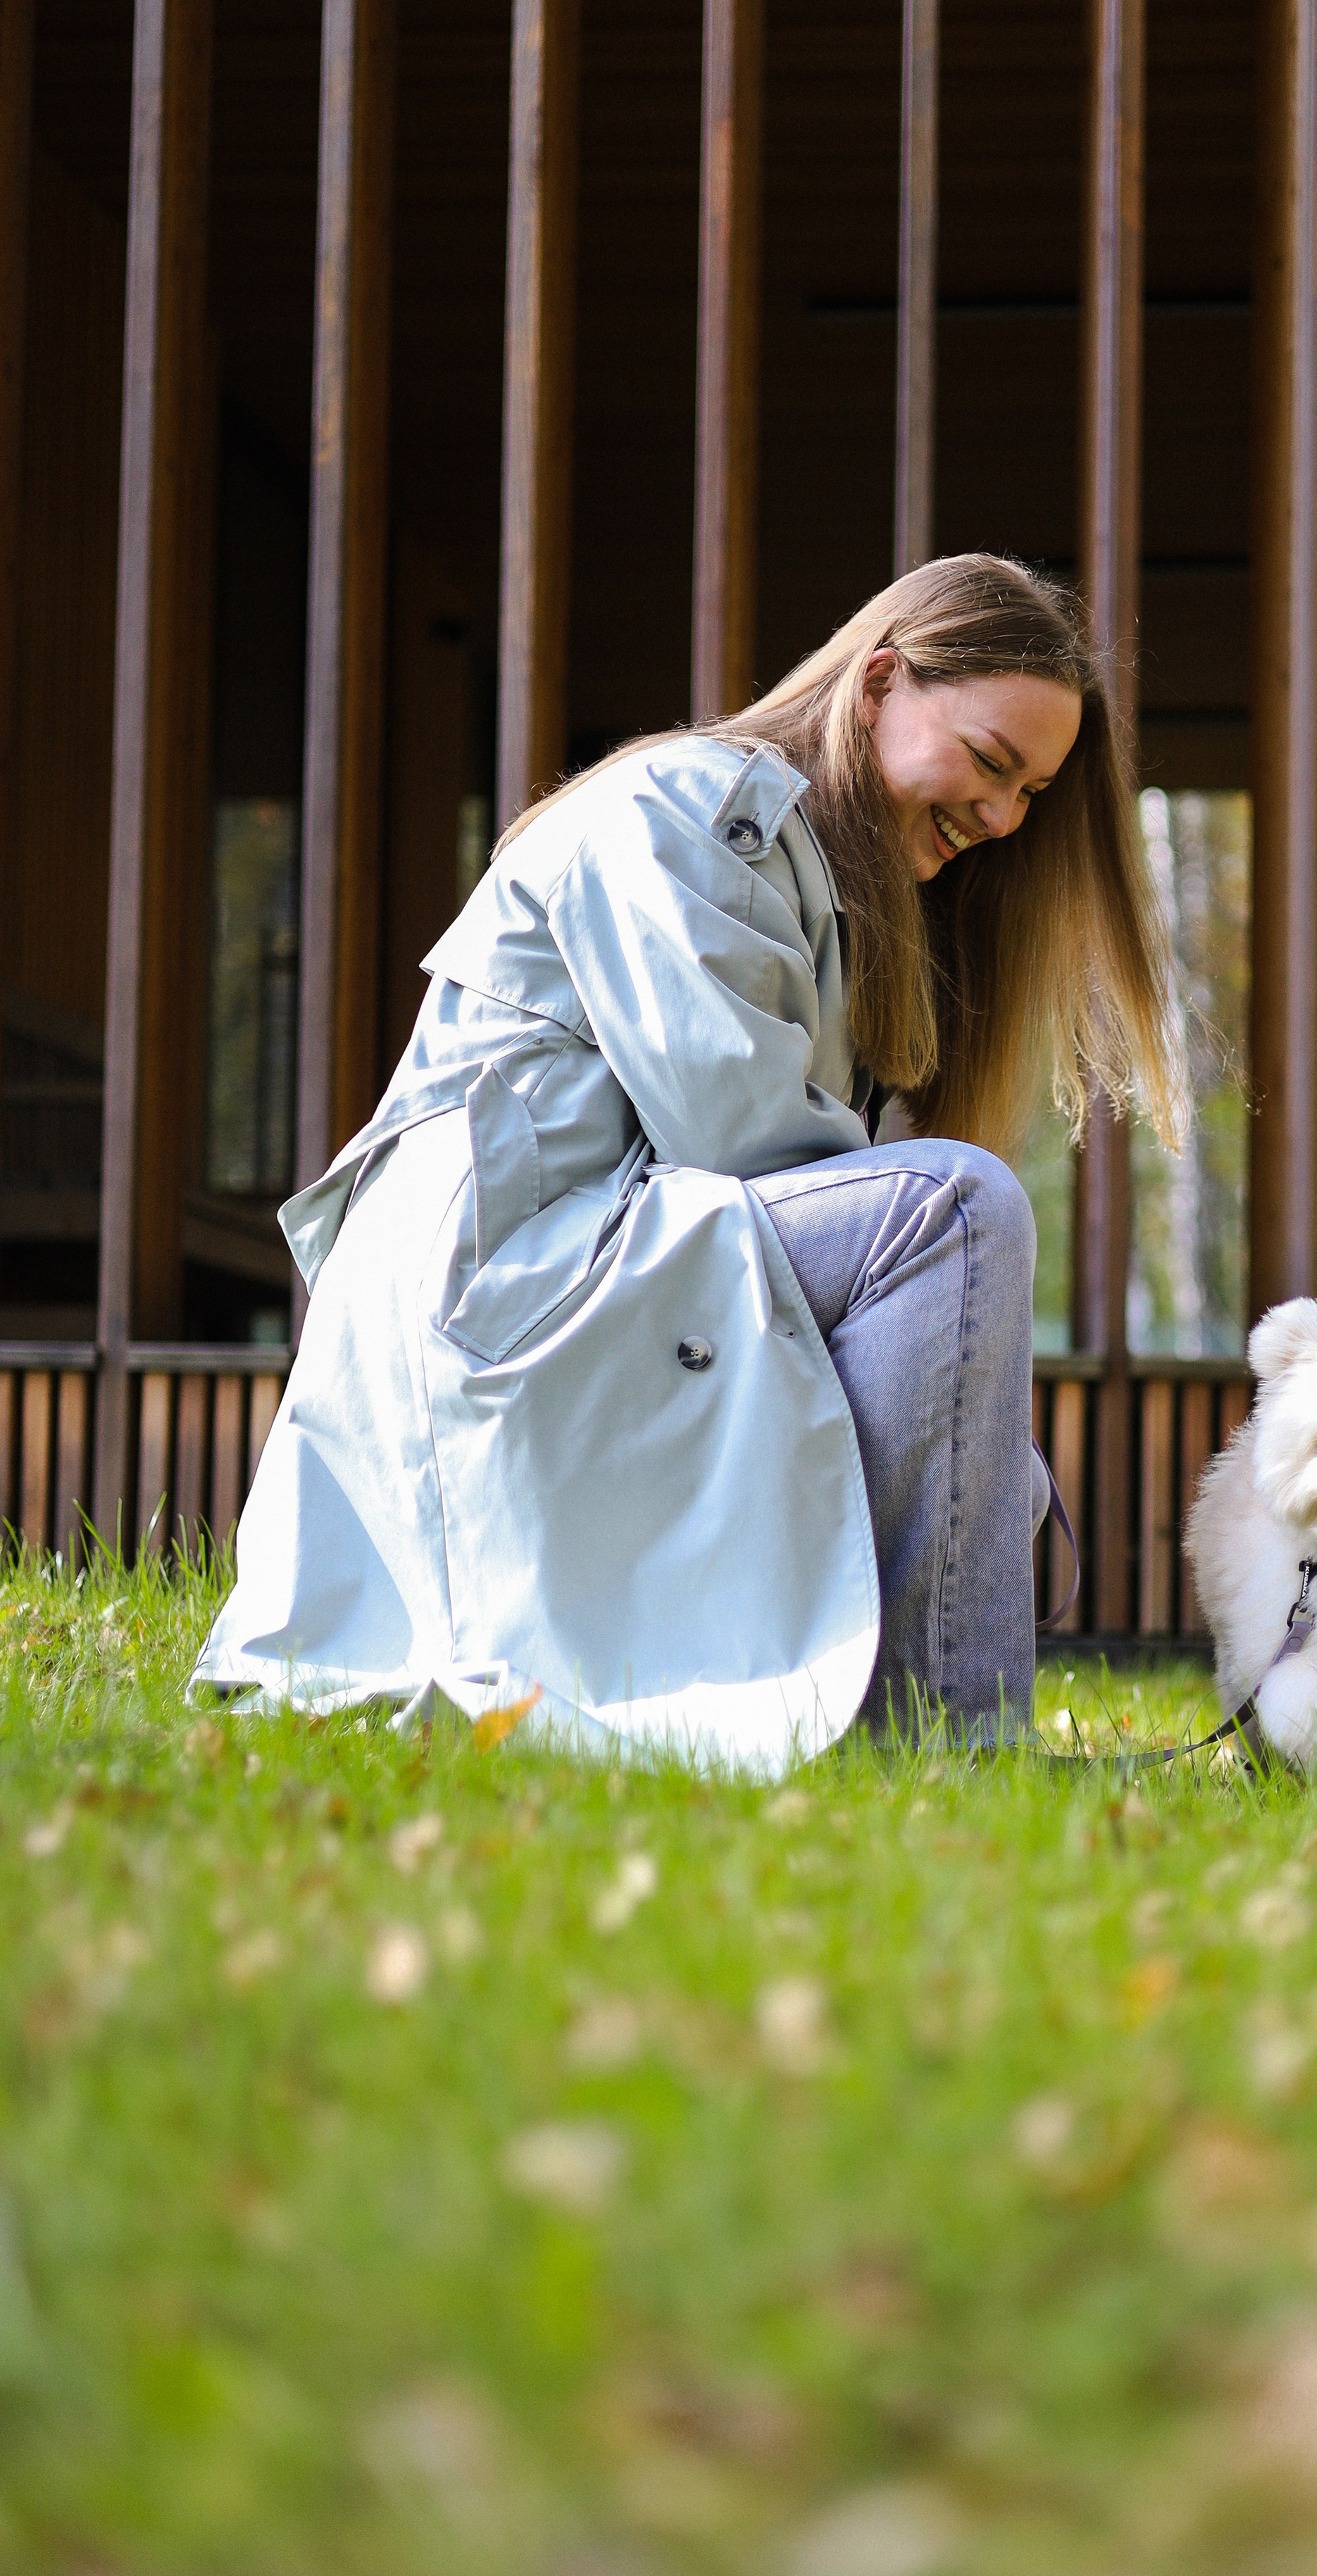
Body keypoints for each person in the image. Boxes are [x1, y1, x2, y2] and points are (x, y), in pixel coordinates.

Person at [192, 554, 1186, 1767]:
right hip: (504, 1295)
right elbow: (749, 1144)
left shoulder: (822, 874)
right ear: (877, 684)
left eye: (1029, 790)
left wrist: (974, 1430)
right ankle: (955, 1743)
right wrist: (968, 1398)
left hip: (590, 1276)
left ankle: (893, 1721)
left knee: (957, 1283)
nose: (1004, 819)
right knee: (958, 1211)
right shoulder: (681, 811)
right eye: (989, 763)